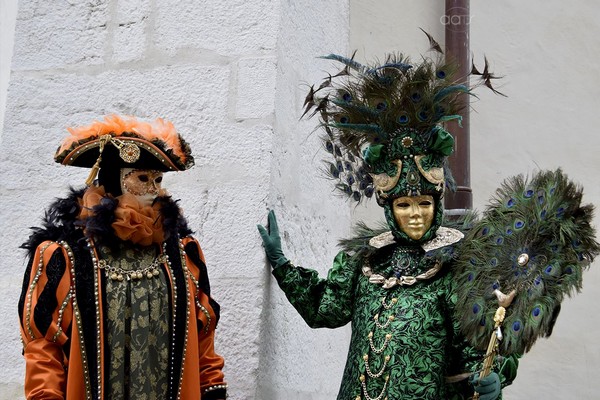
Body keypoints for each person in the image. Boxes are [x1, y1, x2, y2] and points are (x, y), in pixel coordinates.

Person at [258, 50, 519, 400]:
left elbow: (482, 344)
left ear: (437, 205)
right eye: (404, 204)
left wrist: (495, 378)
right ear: (389, 208)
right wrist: (282, 264)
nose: (415, 214)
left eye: (424, 203)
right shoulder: (364, 261)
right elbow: (326, 310)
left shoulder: (455, 268)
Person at [18, 115, 227, 400]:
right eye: (142, 178)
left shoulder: (183, 252)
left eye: (158, 179)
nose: (153, 190)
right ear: (113, 179)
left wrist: (212, 390)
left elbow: (203, 337)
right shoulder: (63, 255)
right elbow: (44, 346)